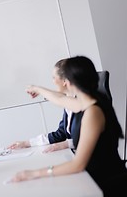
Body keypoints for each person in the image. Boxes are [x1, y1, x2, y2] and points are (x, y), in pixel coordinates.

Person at [11, 56, 127, 197]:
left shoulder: (93, 112)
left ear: (68, 82)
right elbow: (59, 99)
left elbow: (78, 165)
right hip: (93, 180)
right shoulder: (85, 103)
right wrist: (37, 89)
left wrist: (34, 173)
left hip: (107, 184)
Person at [8, 59, 83, 153]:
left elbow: (86, 138)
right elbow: (61, 134)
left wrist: (66, 144)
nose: (53, 81)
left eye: (53, 77)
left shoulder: (80, 104)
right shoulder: (69, 101)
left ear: (64, 81)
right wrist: (27, 143)